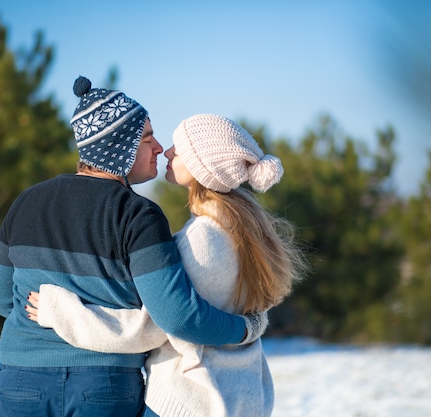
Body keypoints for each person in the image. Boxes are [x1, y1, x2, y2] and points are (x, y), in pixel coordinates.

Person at [0, 78, 267, 417]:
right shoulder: (138, 214)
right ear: (120, 146)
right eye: (147, 137)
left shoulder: (26, 202)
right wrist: (246, 328)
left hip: (21, 381)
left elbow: (1, 300)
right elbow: (177, 315)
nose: (159, 147)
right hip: (104, 386)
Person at [25, 114, 307, 417]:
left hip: (193, 399)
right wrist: (251, 328)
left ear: (202, 166)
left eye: (180, 148)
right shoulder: (243, 226)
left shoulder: (203, 239)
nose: (168, 152)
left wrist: (61, 313)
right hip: (240, 393)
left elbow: (156, 326)